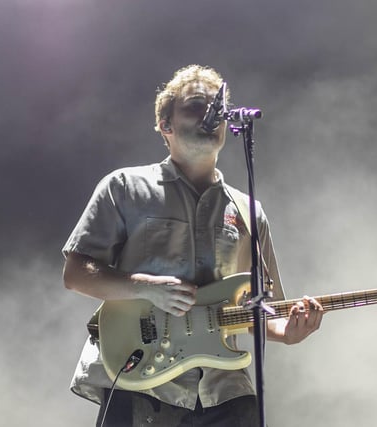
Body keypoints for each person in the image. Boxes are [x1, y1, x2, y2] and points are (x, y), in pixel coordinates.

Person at [62, 64, 323, 427]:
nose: (209, 115)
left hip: (224, 390)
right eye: (196, 106)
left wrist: (288, 331)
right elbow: (76, 274)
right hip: (143, 380)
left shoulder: (249, 212)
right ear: (165, 125)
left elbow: (264, 310)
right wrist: (144, 287)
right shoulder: (124, 187)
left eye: (216, 107)